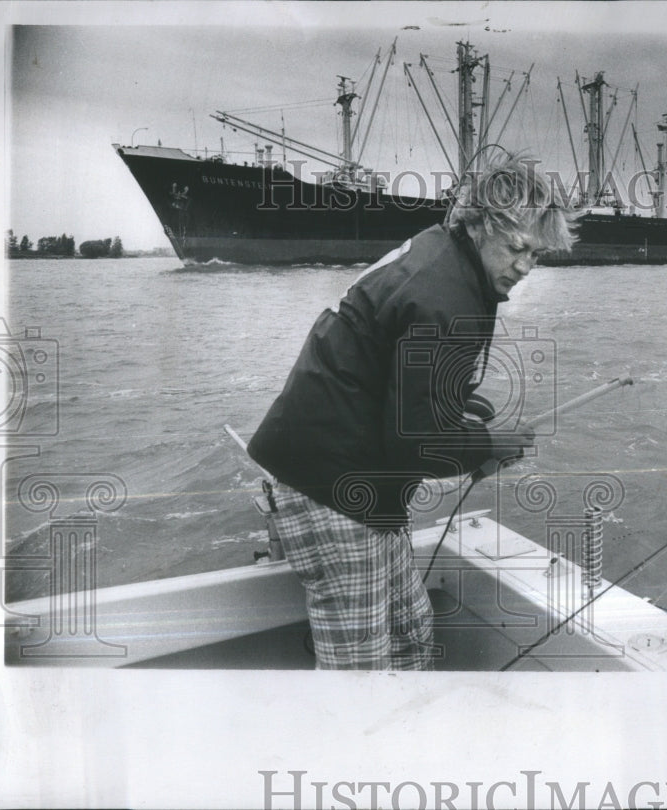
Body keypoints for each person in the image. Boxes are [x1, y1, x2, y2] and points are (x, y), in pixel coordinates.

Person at [247, 154, 580, 670]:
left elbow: (383, 354)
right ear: (479, 224)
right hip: (328, 488)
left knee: (411, 633)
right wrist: (488, 445)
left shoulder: (439, 252)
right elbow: (414, 444)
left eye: (536, 254)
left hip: (358, 477)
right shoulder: (443, 297)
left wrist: (453, 398)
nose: (524, 266)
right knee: (359, 674)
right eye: (516, 247)